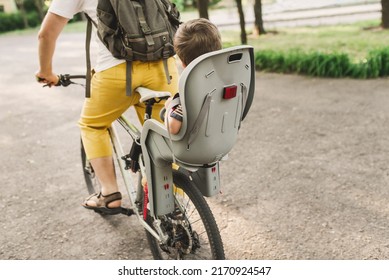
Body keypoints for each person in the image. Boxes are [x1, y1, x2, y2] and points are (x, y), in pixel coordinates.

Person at [35, 0, 178, 214]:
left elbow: (46, 34)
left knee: (92, 124)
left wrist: (46, 72)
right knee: (166, 131)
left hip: (116, 73)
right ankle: (172, 196)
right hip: (163, 68)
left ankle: (109, 192)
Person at [164, 18, 222, 135]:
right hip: (222, 140)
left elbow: (173, 127)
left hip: (192, 149)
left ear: (183, 62)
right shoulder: (227, 77)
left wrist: (170, 106)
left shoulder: (190, 89)